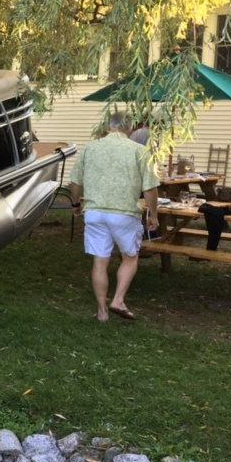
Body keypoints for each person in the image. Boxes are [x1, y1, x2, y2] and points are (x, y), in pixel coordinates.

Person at [69, 111, 160, 323]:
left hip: (94, 213)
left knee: (100, 261)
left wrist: (75, 204)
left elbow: (75, 182)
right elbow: (150, 188)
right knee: (130, 257)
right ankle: (118, 300)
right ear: (130, 128)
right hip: (124, 214)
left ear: (109, 126)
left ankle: (102, 311)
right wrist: (153, 214)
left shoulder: (90, 148)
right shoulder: (139, 150)